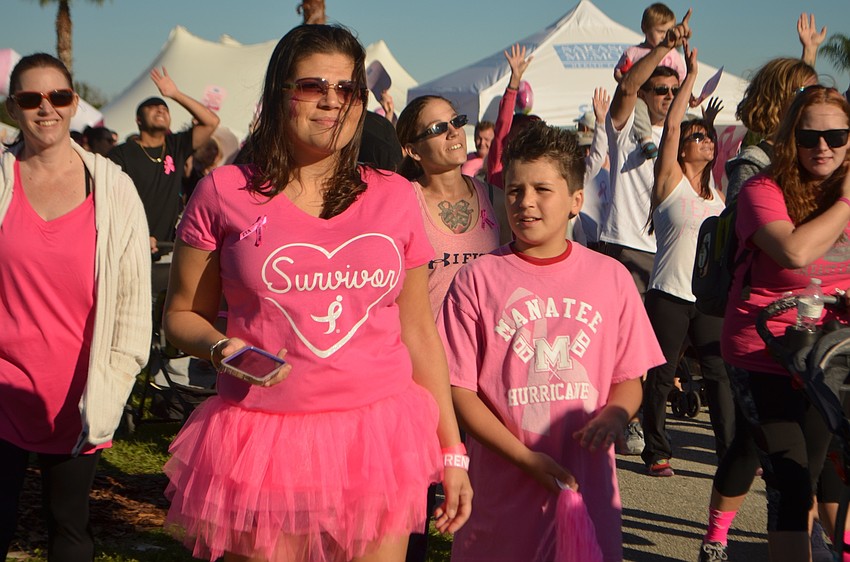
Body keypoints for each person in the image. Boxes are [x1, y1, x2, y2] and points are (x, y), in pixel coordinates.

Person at [161, 25, 472, 562]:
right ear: (280, 93)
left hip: (380, 437)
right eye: (312, 86)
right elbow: (182, 315)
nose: (332, 101)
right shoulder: (224, 192)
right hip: (264, 442)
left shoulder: (396, 196)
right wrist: (221, 349)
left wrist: (452, 449)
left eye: (347, 88)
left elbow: (419, 330)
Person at [440, 120, 663, 562]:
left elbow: (629, 377)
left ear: (576, 200)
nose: (525, 202)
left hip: (588, 495)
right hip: (502, 500)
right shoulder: (476, 280)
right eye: (515, 190)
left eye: (542, 189)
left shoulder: (611, 278)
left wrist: (616, 415)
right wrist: (525, 459)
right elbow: (460, 391)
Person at [0, 53, 151, 561]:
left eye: (58, 96)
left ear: (74, 103)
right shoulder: (1, 178)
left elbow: (133, 299)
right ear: (12, 108)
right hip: (3, 386)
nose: (46, 108)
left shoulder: (113, 188)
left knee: (69, 529)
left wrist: (120, 372)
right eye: (30, 98)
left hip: (80, 391)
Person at [704, 86, 850, 562]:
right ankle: (716, 536)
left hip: (826, 353)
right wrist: (846, 202)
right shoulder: (761, 190)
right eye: (810, 135)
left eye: (836, 135)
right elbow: (794, 251)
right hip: (762, 352)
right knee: (789, 477)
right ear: (791, 137)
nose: (823, 146)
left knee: (825, 469)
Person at [640, 43, 733, 478]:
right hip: (669, 295)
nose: (704, 140)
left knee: (719, 376)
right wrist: (691, 76)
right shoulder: (669, 181)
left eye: (708, 137)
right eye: (697, 137)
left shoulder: (717, 195)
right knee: (661, 376)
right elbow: (673, 124)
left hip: (709, 299)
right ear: (679, 150)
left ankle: (731, 452)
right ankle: (656, 450)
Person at [603, 7, 691, 455]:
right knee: (623, 343)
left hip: (666, 254)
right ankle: (628, 421)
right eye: (659, 89)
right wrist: (664, 48)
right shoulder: (623, 128)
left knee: (656, 350)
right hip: (625, 246)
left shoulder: (685, 137)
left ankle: (643, 422)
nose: (665, 95)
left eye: (673, 89)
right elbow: (627, 86)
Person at [396, 95, 502, 318]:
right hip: (431, 349)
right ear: (414, 151)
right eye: (438, 128)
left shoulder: (496, 200)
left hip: (488, 349)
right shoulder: (401, 205)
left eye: (457, 121)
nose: (453, 131)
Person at [108, 67, 220, 256]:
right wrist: (135, 234)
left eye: (164, 108)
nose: (160, 108)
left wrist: (174, 94)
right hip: (128, 249)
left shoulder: (175, 146)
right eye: (152, 107)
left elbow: (211, 122)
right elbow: (111, 203)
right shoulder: (120, 154)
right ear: (138, 120)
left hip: (166, 250)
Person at [613, 3, 687, 160]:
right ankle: (646, 139)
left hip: (664, 107)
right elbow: (619, 74)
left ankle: (683, 139)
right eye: (660, 32)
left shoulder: (673, 54)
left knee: (682, 114)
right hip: (640, 96)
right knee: (638, 108)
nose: (664, 36)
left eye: (668, 32)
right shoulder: (634, 52)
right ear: (644, 28)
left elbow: (681, 78)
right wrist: (625, 79)